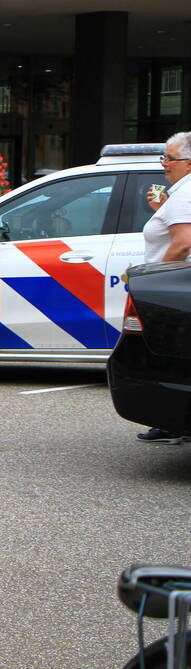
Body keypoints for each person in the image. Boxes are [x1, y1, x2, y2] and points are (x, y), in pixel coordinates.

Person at [134, 131, 191, 445]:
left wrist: (156, 277)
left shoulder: (185, 193)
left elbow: (182, 244)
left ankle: (171, 421)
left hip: (170, 288)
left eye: (170, 158)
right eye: (164, 157)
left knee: (165, 355)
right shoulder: (180, 193)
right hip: (178, 286)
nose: (163, 163)